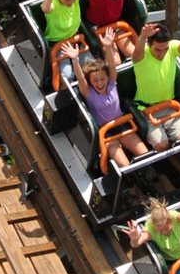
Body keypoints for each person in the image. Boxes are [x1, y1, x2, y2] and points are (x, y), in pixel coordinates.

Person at [64, 27, 149, 168]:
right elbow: (80, 78)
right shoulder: (89, 93)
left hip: (122, 125)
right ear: (90, 81)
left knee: (144, 154)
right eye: (95, 80)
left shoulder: (111, 84)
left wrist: (108, 46)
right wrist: (75, 60)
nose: (100, 83)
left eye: (102, 79)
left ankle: (148, 179)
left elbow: (111, 65)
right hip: (107, 132)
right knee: (123, 163)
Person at [131, 22, 180, 151]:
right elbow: (136, 54)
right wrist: (143, 37)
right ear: (149, 45)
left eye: (164, 49)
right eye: (157, 50)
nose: (162, 53)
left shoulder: (171, 48)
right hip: (147, 110)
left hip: (169, 107)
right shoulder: (142, 55)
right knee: (162, 145)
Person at [43, 0, 93, 86]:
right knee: (68, 75)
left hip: (75, 41)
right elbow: (45, 8)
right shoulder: (54, 5)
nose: (71, 1)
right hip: (58, 45)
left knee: (92, 68)